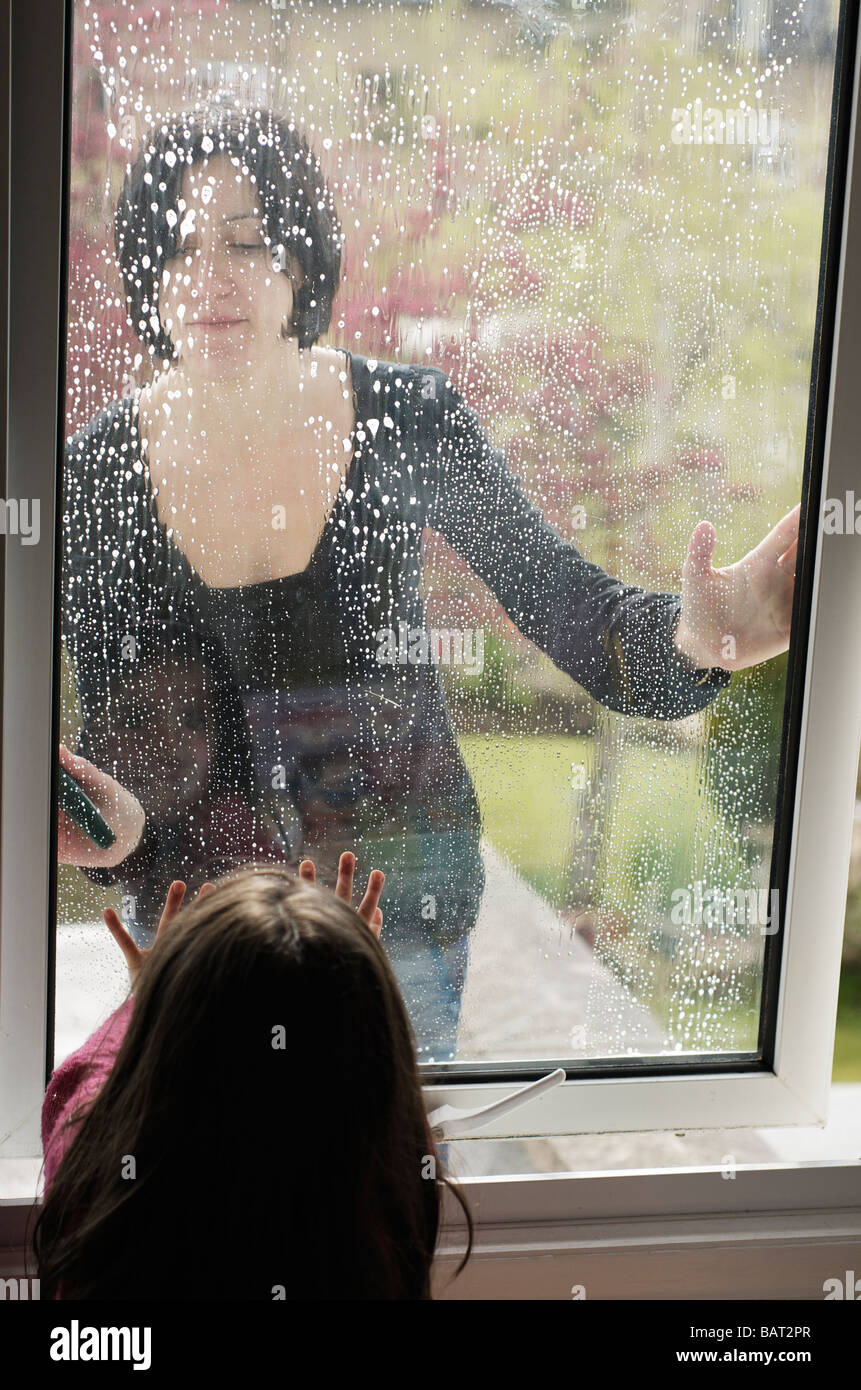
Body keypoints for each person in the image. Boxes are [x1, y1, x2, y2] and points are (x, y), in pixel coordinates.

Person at [59, 101, 800, 1061]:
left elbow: (578, 616)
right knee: (222, 1190)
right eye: (181, 246)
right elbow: (133, 755)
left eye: (246, 243)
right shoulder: (92, 479)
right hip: (193, 931)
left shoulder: (404, 417)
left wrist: (707, 636)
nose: (211, 278)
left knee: (376, 1187)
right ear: (148, 275)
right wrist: (110, 832)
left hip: (400, 921)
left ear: (299, 263)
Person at [34, 852, 472, 1299]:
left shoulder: (107, 1185)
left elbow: (80, 1087)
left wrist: (147, 1002)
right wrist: (353, 991)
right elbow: (377, 1102)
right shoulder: (377, 1205)